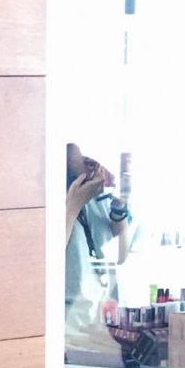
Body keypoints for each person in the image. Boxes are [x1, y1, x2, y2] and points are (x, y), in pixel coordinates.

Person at [64, 141, 134, 351]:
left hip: (100, 321)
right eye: (81, 160)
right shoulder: (48, 207)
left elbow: (122, 255)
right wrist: (74, 203)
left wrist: (120, 204)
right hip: (67, 330)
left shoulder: (97, 199)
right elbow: (45, 259)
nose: (90, 166)